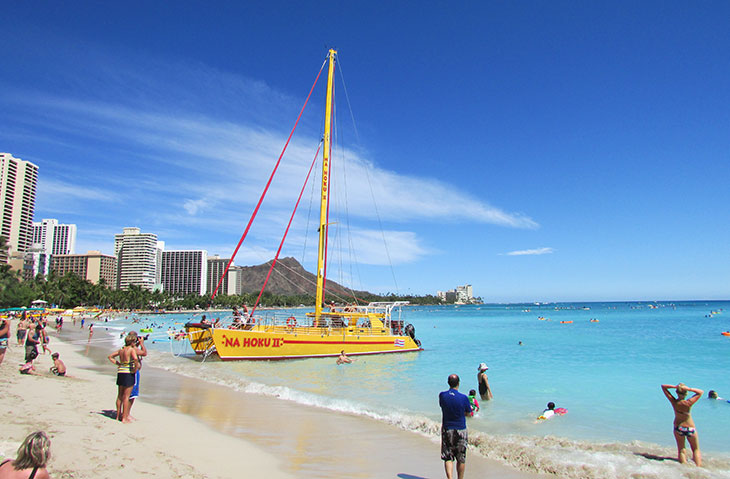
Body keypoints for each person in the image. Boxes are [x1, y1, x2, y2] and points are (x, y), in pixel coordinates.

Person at [661, 383, 703, 466]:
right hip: (690, 428)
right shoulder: (689, 403)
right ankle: (699, 469)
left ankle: (683, 468)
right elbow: (700, 392)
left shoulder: (674, 402)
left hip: (679, 427)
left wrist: (675, 387)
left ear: (677, 392)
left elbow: (663, 387)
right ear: (686, 394)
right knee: (695, 449)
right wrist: (689, 388)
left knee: (681, 449)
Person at [439, 374, 471, 479]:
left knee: (448, 457)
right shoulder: (464, 398)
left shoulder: (442, 395)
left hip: (447, 428)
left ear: (448, 383)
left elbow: (443, 406)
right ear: (458, 383)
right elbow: (469, 413)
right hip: (461, 429)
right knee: (461, 457)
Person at [108, 335, 140, 423]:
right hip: (128, 372)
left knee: (120, 395)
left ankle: (118, 416)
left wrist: (118, 363)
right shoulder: (131, 350)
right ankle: (124, 418)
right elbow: (135, 359)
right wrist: (135, 368)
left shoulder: (121, 350)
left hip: (121, 372)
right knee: (126, 396)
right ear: (132, 342)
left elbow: (110, 356)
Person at [126, 331, 147, 419]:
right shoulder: (133, 349)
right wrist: (142, 344)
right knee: (131, 395)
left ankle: (124, 413)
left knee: (124, 395)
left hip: (125, 371)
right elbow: (144, 353)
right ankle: (126, 414)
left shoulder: (125, 348)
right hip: (133, 372)